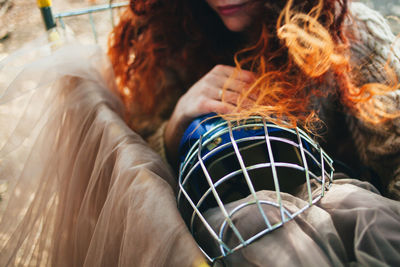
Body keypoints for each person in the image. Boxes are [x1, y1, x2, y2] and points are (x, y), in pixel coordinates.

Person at [0, 0, 399, 266]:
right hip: (212, 235)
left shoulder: (352, 33)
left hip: (333, 222)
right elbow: (139, 166)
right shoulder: (179, 31)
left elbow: (394, 160)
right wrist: (177, 122)